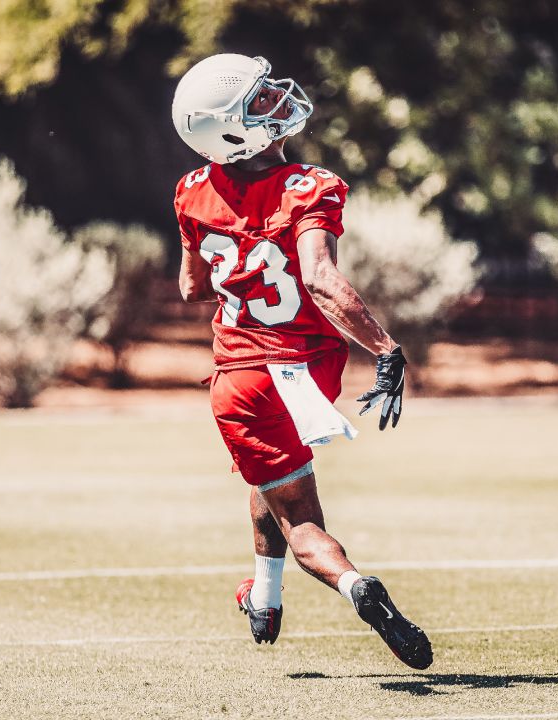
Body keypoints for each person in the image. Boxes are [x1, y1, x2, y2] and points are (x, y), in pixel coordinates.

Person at [170, 53, 431, 670]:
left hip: (244, 377)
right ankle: (265, 595)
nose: (277, 101)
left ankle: (354, 585)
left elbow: (191, 288)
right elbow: (317, 278)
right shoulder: (310, 184)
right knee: (275, 478)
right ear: (231, 129)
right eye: (258, 101)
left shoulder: (190, 192)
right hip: (309, 372)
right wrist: (387, 350)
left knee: (299, 518)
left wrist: (241, 267)